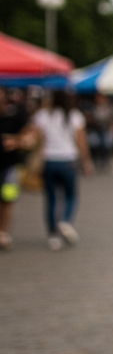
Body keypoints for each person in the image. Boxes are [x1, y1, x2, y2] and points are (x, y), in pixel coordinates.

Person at [32, 91, 92, 250]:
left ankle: (53, 235)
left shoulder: (43, 116)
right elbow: (81, 141)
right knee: (70, 196)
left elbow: (34, 136)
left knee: (51, 199)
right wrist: (86, 162)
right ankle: (65, 220)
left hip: (49, 161)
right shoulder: (75, 115)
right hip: (68, 161)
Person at [0, 88, 38, 251]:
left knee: (7, 200)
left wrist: (16, 141)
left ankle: (3, 233)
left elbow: (32, 136)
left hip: (10, 167)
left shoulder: (17, 115)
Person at [85, 94, 113, 172]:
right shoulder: (94, 107)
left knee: (106, 146)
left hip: (106, 129)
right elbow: (91, 118)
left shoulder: (108, 108)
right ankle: (97, 162)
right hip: (96, 129)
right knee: (96, 146)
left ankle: (105, 162)